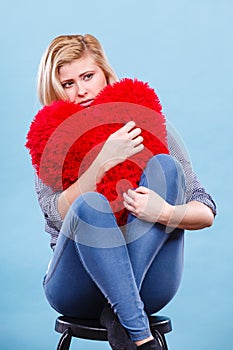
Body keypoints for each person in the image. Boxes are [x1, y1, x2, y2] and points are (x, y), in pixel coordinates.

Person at [30, 34, 216, 350]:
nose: (81, 90)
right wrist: (100, 164)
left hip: (150, 285)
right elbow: (56, 214)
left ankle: (121, 314)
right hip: (78, 287)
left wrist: (165, 213)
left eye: (87, 76)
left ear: (105, 73)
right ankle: (141, 338)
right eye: (68, 83)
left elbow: (206, 210)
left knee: (167, 168)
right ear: (55, 88)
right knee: (89, 204)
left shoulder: (150, 124)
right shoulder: (52, 137)